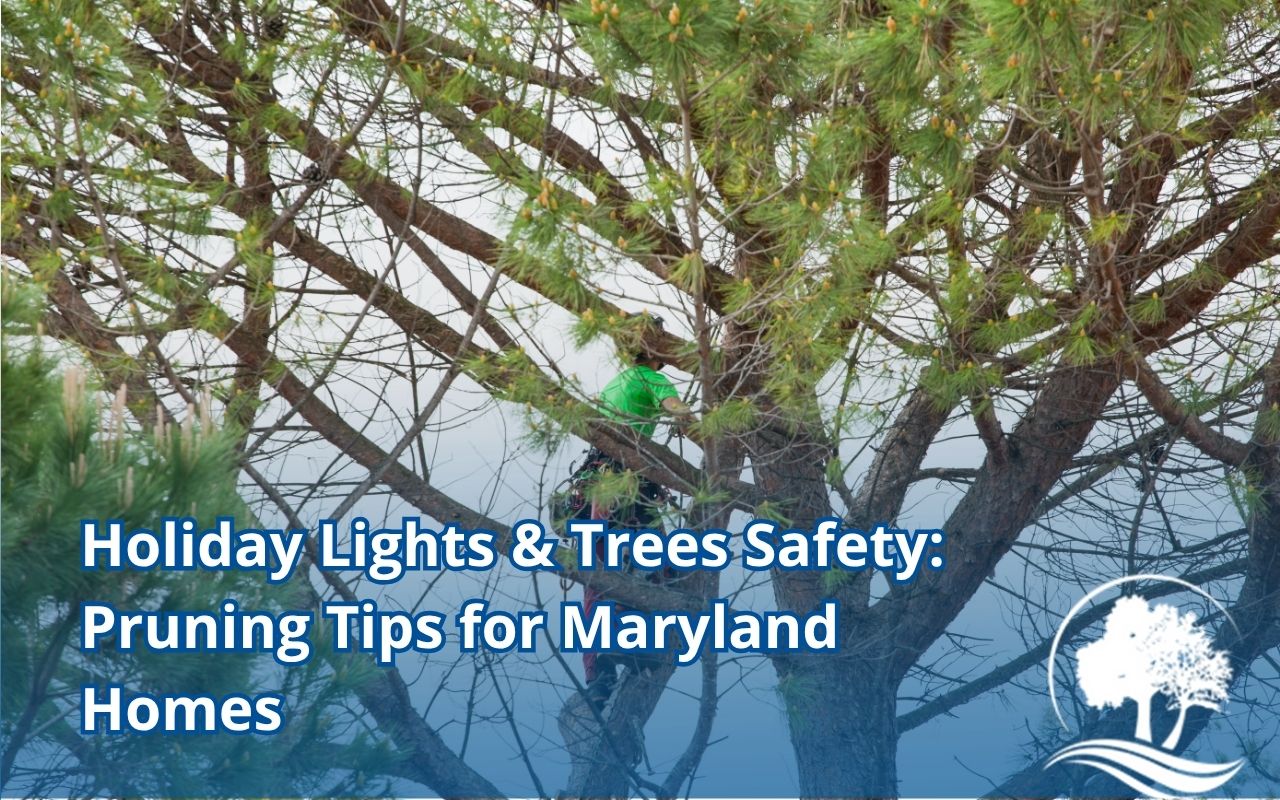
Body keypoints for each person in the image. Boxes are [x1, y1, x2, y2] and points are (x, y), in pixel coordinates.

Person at [580, 314, 694, 709]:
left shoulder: (617, 382)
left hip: (597, 483)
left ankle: (600, 673)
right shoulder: (650, 378)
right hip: (624, 482)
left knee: (601, 572)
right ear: (656, 351)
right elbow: (679, 411)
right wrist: (701, 423)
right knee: (655, 562)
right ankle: (638, 645)